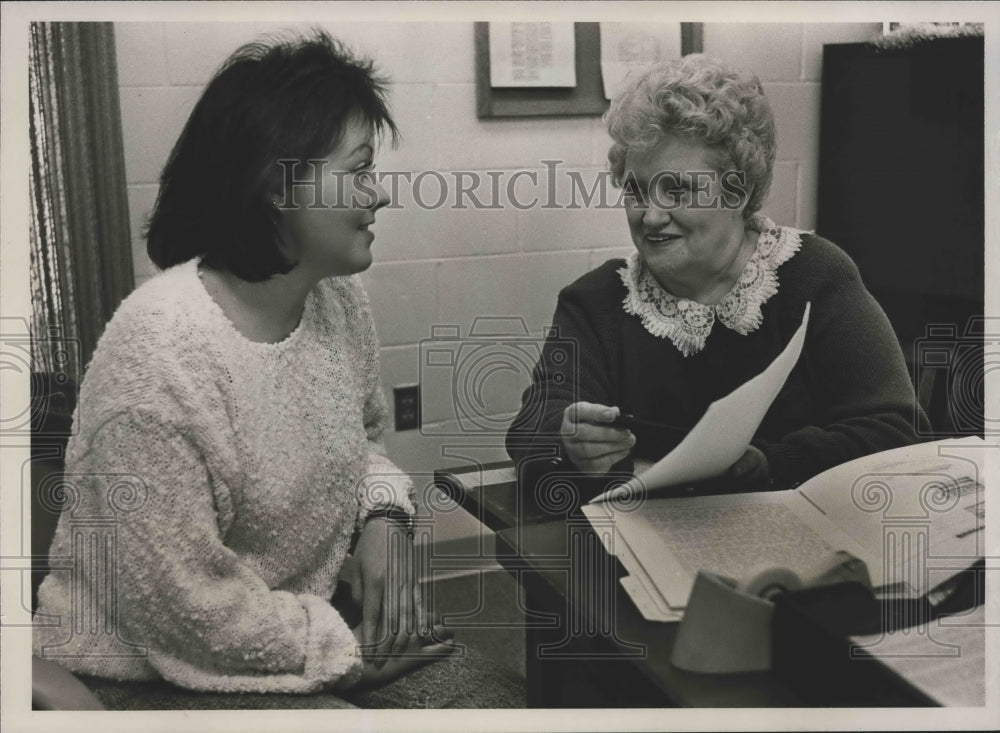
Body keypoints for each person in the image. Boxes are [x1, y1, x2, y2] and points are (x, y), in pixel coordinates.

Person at [33, 31, 523, 709]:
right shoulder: (158, 353)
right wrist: (342, 655)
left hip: (290, 622)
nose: (378, 194)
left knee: (493, 700)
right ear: (277, 186)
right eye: (358, 170)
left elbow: (365, 446)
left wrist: (384, 518)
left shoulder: (336, 301)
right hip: (141, 669)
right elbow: (183, 607)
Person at [506, 54, 928, 496]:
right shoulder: (595, 301)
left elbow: (894, 430)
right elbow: (530, 430)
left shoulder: (814, 276)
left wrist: (774, 462)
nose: (651, 217)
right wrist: (569, 441)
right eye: (635, 190)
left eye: (677, 190)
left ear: (738, 191)